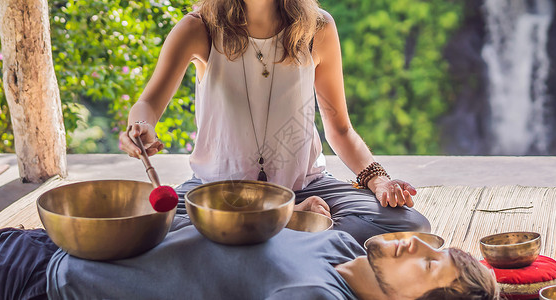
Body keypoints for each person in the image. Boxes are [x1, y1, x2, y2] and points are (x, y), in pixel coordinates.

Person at [118, 0, 432, 245]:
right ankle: (294, 229)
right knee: (153, 229)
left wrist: (378, 180)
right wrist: (140, 125)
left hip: (304, 187)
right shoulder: (199, 28)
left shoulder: (317, 27)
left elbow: (339, 128)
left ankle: (261, 238)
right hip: (220, 195)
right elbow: (147, 103)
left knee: (408, 225)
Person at [0, 224, 498, 299]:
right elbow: (307, 220)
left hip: (49, 284)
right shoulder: (340, 244)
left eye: (432, 265)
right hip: (69, 236)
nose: (421, 246)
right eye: (435, 243)